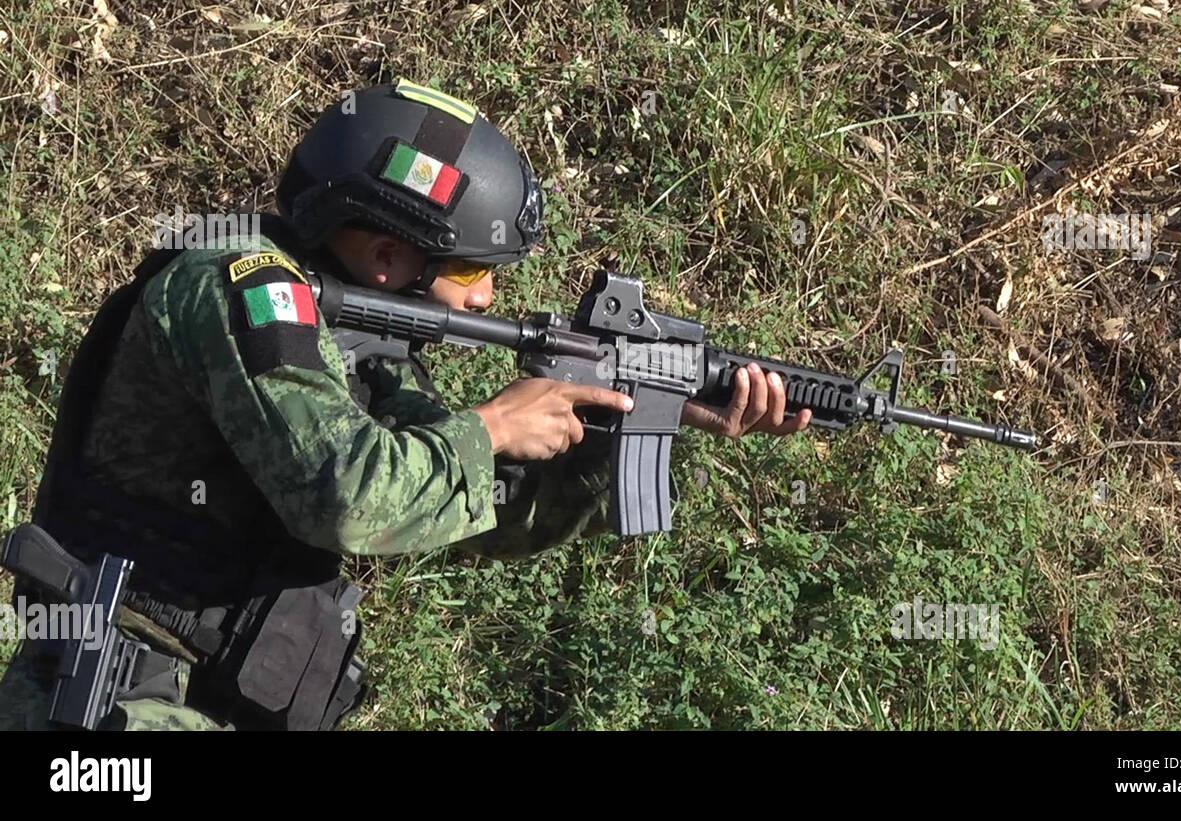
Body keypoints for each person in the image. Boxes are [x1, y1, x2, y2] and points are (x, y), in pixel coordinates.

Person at [0, 80, 810, 731]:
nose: (490, 296)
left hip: (199, 697)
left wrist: (632, 420)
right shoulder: (243, 288)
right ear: (388, 254)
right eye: (472, 272)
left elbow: (467, 508)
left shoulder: (359, 339)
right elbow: (347, 497)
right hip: (112, 697)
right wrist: (490, 424)